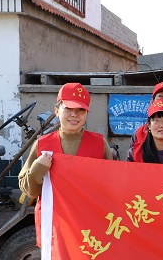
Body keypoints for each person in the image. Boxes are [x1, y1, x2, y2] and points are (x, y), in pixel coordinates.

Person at [18, 83, 113, 245]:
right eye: (68, 108)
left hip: (89, 226)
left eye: (81, 110)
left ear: (86, 113)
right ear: (57, 110)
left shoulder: (99, 144)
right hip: (54, 225)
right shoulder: (42, 144)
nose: (74, 115)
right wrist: (38, 169)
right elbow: (29, 190)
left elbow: (110, 186)